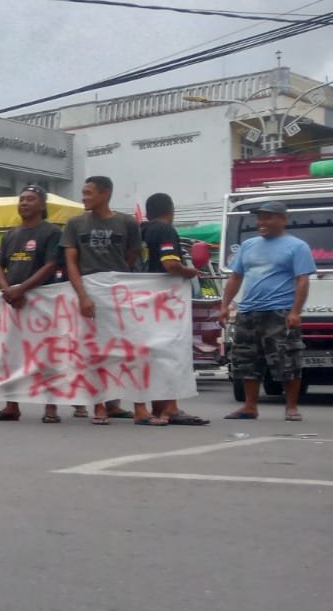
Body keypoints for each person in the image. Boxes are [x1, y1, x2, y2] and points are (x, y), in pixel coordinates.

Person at [221, 199, 316, 422]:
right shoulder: (248, 245)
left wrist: (295, 312)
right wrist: (224, 305)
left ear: (283, 220)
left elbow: (302, 280)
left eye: (268, 217)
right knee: (246, 361)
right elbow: (236, 277)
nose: (261, 222)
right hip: (248, 312)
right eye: (260, 217)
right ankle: (250, 407)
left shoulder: (297, 246)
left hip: (279, 312)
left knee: (287, 359)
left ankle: (291, 407)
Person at [62, 175, 143, 424]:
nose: (84, 197)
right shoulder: (74, 224)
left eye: (88, 193)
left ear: (105, 194)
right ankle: (97, 404)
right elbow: (71, 263)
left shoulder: (127, 223)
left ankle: (122, 404)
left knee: (125, 350)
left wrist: (114, 282)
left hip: (118, 294)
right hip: (89, 290)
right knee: (91, 350)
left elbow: (130, 257)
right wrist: (83, 296)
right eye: (83, 193)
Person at [0, 184, 63, 423]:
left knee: (47, 355)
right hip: (14, 304)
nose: (24, 203)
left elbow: (50, 265)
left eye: (30, 199)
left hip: (42, 303)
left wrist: (22, 288)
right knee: (13, 354)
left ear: (42, 205)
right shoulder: (10, 234)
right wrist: (7, 289)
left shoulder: (52, 232)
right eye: (21, 199)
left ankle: (51, 407)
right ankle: (12, 405)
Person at [138, 192, 209, 427]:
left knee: (153, 354)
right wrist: (190, 272)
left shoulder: (141, 231)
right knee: (171, 352)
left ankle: (157, 406)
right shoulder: (165, 230)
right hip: (165, 302)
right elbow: (170, 264)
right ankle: (170, 408)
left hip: (142, 301)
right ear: (171, 210)